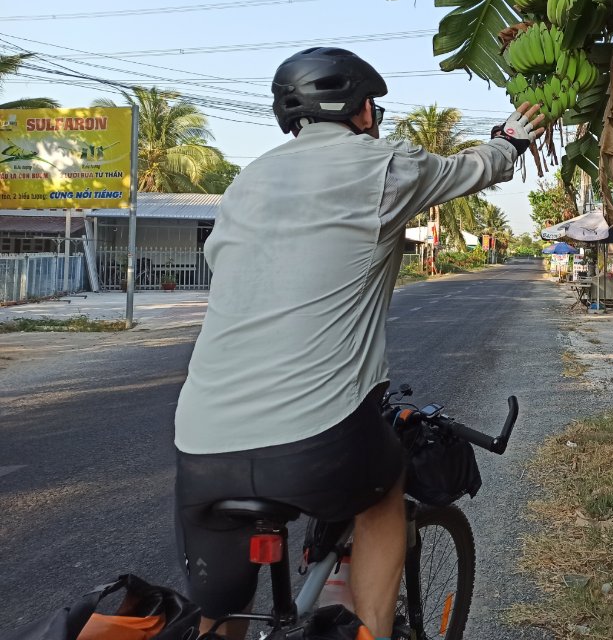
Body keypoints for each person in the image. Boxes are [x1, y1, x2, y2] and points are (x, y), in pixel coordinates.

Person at [172, 47, 544, 640]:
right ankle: (372, 629)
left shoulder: (249, 180)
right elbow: (474, 169)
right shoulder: (384, 166)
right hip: (315, 433)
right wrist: (511, 140)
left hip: (200, 437)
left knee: (220, 613)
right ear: (363, 109)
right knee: (383, 490)